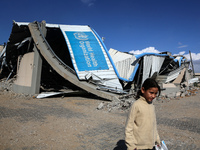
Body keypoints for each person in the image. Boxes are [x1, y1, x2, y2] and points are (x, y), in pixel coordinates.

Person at [125, 78, 161, 150]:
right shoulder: (136, 105)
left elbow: (154, 125)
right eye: (151, 93)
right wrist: (131, 146)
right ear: (143, 90)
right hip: (138, 147)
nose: (153, 96)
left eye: (155, 93)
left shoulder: (151, 105)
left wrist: (157, 139)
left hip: (151, 146)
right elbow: (129, 127)